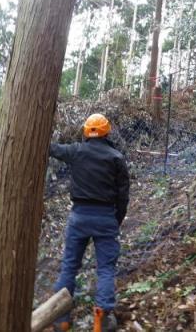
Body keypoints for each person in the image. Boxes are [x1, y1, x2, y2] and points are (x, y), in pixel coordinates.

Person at [49, 114, 130, 332]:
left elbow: (53, 149)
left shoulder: (75, 151)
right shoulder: (116, 158)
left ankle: (61, 320)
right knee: (105, 269)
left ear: (86, 131)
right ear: (107, 131)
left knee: (69, 266)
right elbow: (123, 196)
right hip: (106, 217)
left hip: (79, 216)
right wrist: (116, 220)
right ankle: (101, 321)